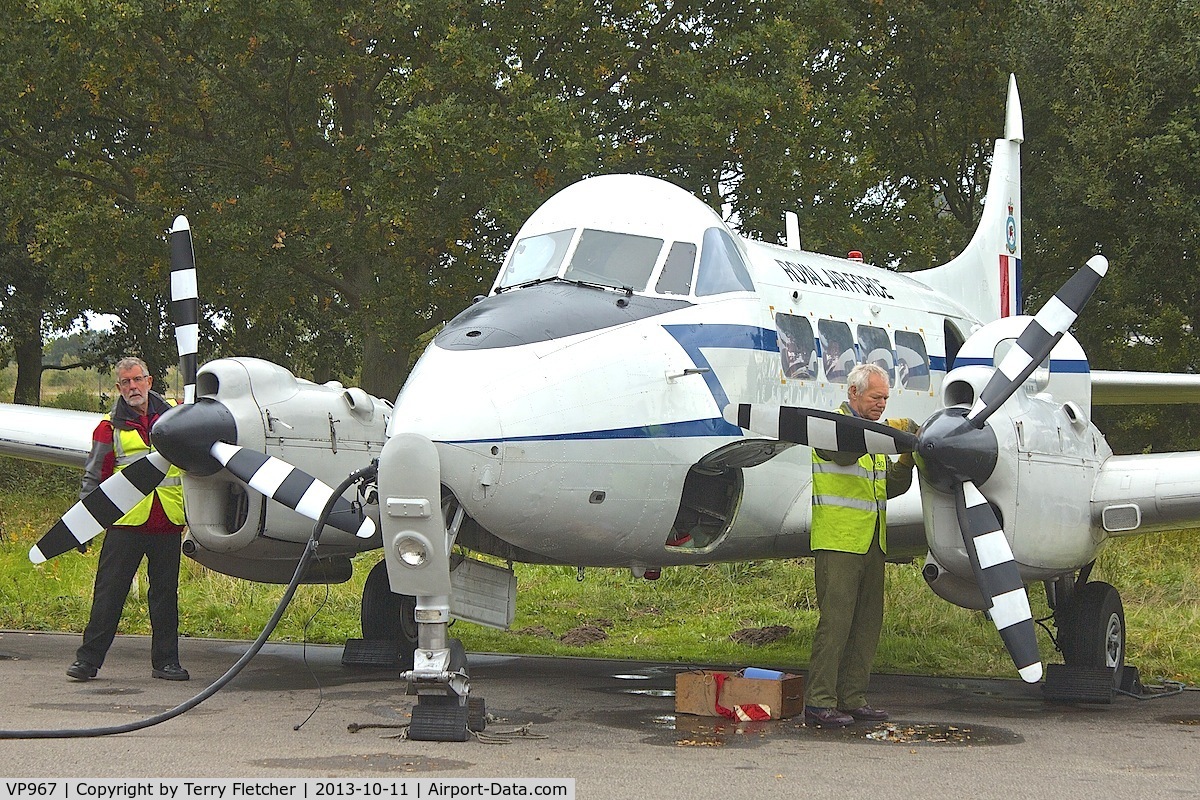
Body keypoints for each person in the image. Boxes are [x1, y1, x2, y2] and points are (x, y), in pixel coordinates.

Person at [804, 362, 916, 726]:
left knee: (867, 624)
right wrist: (883, 434)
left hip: (872, 540)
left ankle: (853, 697)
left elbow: (891, 487)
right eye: (875, 397)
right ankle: (819, 701)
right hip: (838, 540)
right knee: (836, 623)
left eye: (885, 398)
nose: (882, 404)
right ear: (853, 393)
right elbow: (843, 453)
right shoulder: (830, 428)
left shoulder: (877, 436)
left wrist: (907, 457)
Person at [67, 357, 189, 682]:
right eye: (126, 382)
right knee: (109, 593)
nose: (132, 387)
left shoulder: (178, 418)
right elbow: (93, 477)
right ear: (119, 387)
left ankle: (166, 663)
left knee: (165, 596)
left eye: (137, 380)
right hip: (125, 524)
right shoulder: (108, 428)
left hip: (167, 522)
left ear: (149, 381)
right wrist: (83, 525)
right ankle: (88, 661)